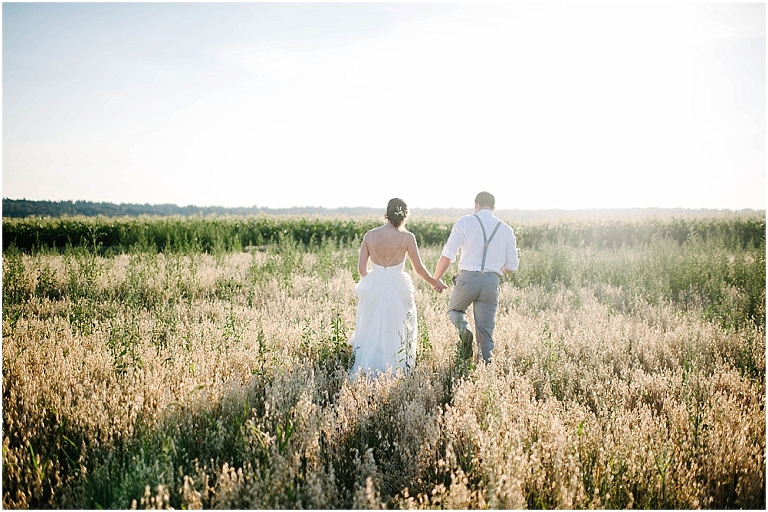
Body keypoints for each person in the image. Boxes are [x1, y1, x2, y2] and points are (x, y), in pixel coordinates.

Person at [349, 198, 446, 378]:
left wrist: (376, 278)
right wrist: (434, 282)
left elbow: (362, 270)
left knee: (373, 327)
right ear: (404, 215)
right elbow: (418, 269)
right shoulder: (407, 237)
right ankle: (394, 370)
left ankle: (369, 370)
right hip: (397, 285)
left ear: (387, 213)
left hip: (375, 284)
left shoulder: (370, 235)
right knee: (396, 328)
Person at [432, 191, 519, 364]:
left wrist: (435, 279)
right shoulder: (506, 230)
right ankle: (486, 369)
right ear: (493, 208)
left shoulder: (465, 222)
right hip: (491, 283)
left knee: (455, 311)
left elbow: (448, 254)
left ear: (476, 205)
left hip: (467, 280)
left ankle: (465, 331)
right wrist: (496, 269)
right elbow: (512, 266)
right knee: (485, 332)